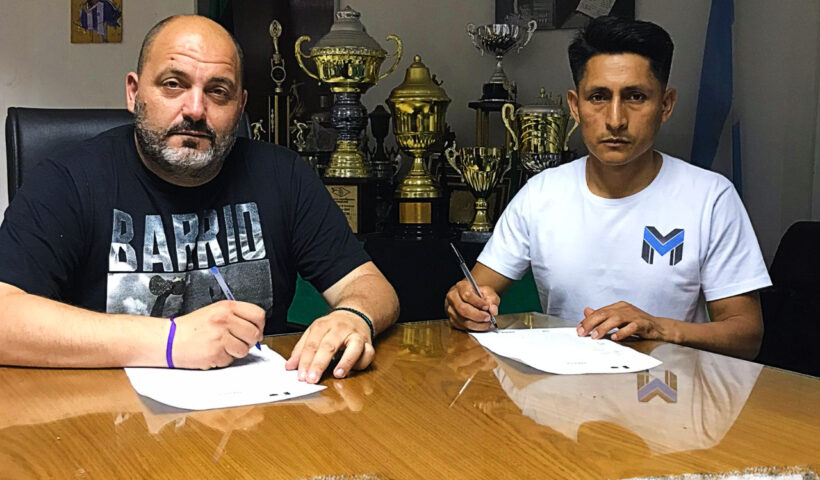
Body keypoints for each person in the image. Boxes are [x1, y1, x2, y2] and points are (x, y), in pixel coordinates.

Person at [0, 15, 399, 383]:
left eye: (218, 92)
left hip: (259, 411)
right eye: (173, 84)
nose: (195, 110)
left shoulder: (284, 175)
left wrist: (354, 315)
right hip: (107, 413)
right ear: (134, 93)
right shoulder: (67, 181)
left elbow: (369, 284)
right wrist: (171, 341)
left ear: (240, 107)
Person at [445, 16, 771, 360]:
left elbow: (746, 335)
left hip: (667, 388)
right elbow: (474, 291)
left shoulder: (710, 197)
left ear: (665, 104)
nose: (616, 119)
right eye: (598, 97)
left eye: (635, 96)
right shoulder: (540, 194)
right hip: (563, 386)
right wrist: (464, 304)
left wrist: (658, 328)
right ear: (575, 106)